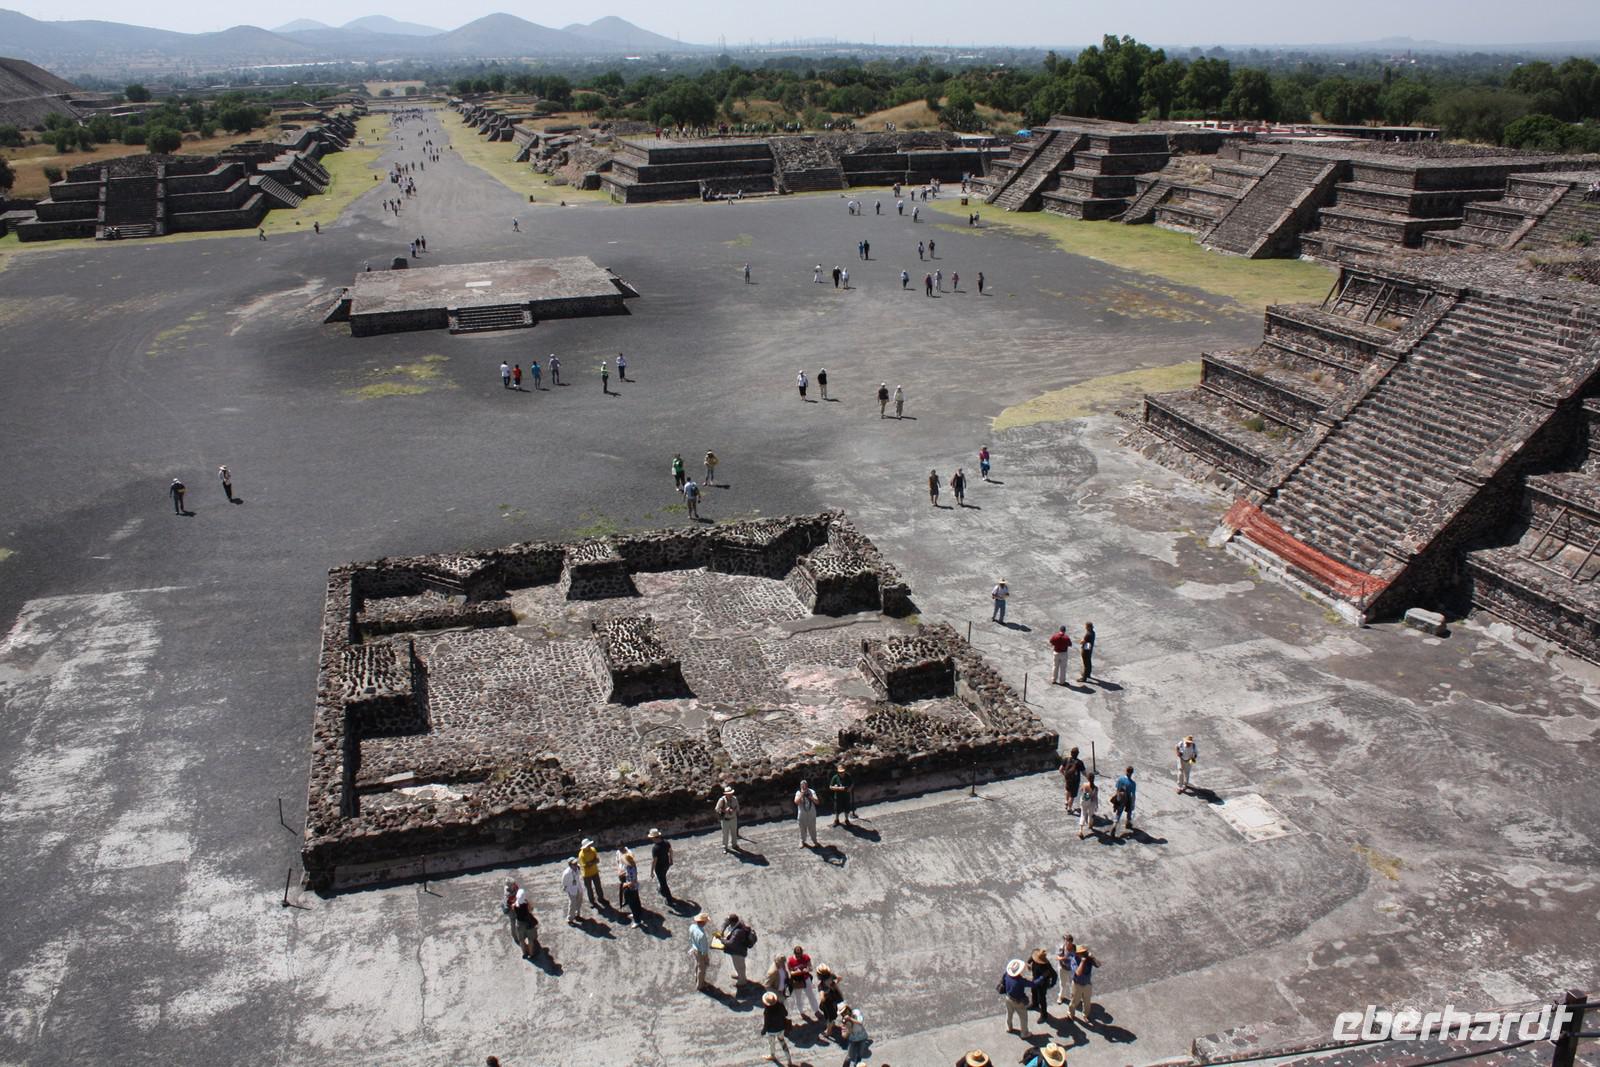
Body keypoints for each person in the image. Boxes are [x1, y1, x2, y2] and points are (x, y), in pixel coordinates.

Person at [999, 958, 1039, 1037]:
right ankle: (1024, 1033)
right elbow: (1033, 984)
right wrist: (1042, 978)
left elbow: (1003, 981)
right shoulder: (1020, 981)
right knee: (1023, 1017)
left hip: (1008, 998)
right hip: (1018, 1002)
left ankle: (1008, 1027)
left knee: (1009, 1013)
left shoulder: (1007, 974)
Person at [720, 913, 757, 986]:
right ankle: (739, 975)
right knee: (737, 965)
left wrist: (722, 940)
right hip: (736, 950)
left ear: (733, 922)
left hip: (739, 951)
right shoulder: (738, 923)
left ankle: (742, 981)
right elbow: (725, 923)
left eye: (729, 922)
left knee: (740, 966)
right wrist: (722, 931)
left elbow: (731, 943)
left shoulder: (738, 932)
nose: (728, 923)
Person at [787, 945, 820, 1020]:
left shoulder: (806, 957)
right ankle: (801, 1012)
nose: (799, 957)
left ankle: (816, 1010)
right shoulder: (791, 961)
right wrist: (796, 972)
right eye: (797, 955)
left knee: (811, 995)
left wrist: (807, 970)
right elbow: (791, 972)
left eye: (800, 955)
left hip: (806, 978)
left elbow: (810, 967)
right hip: (797, 981)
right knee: (798, 997)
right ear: (795, 954)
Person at [762, 991, 794, 1064]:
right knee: (783, 1043)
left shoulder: (767, 1012)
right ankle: (789, 1061)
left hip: (771, 1031)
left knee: (772, 1043)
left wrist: (763, 1031)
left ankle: (772, 1055)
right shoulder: (780, 1006)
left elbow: (766, 1024)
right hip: (781, 1028)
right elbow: (786, 1013)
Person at [510, 881, 539, 959]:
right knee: (530, 939)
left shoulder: (515, 905)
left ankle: (524, 953)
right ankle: (531, 953)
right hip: (528, 923)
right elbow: (531, 909)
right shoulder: (526, 904)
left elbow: (513, 907)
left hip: (519, 924)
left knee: (521, 940)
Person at [1067, 946, 1096, 1024]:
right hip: (1077, 985)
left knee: (1087, 1001)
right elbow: (1078, 973)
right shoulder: (1073, 960)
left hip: (1087, 984)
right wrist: (1082, 962)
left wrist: (1093, 957)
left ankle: (1085, 1015)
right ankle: (1070, 1013)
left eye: (1085, 952)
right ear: (1077, 954)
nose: (1084, 954)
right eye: (1082, 953)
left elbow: (1098, 965)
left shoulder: (1088, 959)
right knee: (1074, 1001)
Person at [578, 837, 608, 909]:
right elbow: (585, 866)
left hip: (595, 872)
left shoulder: (593, 850)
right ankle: (592, 901)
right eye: (587, 845)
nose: (589, 846)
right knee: (589, 889)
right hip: (586, 874)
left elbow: (597, 860)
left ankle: (601, 898)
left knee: (598, 886)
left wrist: (591, 863)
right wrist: (593, 862)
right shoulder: (581, 854)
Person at [618, 848, 644, 927]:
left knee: (633, 904)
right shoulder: (632, 866)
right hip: (635, 888)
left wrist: (625, 885)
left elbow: (632, 882)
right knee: (636, 901)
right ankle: (637, 914)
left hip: (631, 888)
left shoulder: (630, 869)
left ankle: (637, 921)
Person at [1029, 947, 1058, 1020]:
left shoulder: (1046, 966)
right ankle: (1034, 1004)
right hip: (1034, 980)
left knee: (1042, 999)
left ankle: (1044, 1015)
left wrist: (1052, 984)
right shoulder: (1034, 958)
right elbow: (1030, 959)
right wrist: (1028, 963)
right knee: (1033, 992)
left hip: (1042, 985)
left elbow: (1054, 975)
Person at [816, 964, 843, 1038]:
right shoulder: (832, 976)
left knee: (829, 1017)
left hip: (828, 1003)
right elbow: (839, 978)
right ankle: (832, 1023)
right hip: (835, 997)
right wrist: (834, 985)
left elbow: (822, 998)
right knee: (833, 1013)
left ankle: (828, 1031)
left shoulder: (821, 986)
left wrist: (824, 994)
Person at [689, 913, 714, 991]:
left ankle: (696, 976)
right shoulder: (702, 935)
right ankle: (700, 985)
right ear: (703, 922)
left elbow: (690, 937)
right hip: (700, 952)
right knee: (702, 969)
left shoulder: (692, 927)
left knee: (697, 963)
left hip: (694, 949)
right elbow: (704, 949)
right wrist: (706, 958)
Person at [794, 779, 821, 848]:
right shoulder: (798, 792)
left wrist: (811, 797)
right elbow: (796, 802)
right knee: (802, 829)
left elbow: (817, 802)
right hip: (802, 814)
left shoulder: (812, 791)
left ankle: (814, 840)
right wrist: (802, 794)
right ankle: (802, 841)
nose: (804, 787)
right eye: (802, 786)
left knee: (812, 828)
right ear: (800, 786)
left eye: (805, 786)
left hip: (811, 813)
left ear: (807, 785)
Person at [648, 828, 673, 900]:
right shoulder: (666, 842)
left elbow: (654, 861)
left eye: (651, 838)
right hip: (666, 864)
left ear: (654, 838)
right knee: (663, 878)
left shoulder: (655, 848)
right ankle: (662, 890)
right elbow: (671, 851)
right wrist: (671, 860)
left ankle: (669, 899)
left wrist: (651, 871)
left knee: (663, 883)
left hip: (659, 868)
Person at [1054, 934, 1079, 1006]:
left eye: (1069, 942)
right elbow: (1057, 957)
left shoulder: (1075, 948)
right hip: (1063, 968)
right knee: (1062, 983)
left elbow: (1079, 956)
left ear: (1071, 942)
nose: (1067, 944)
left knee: (1073, 984)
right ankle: (1061, 997)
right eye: (1066, 942)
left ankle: (1073, 997)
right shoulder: (1062, 947)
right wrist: (1063, 958)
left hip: (1072, 969)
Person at [1059, 747, 1085, 814]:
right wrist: (1089, 777)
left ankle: (1066, 802)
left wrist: (1065, 775)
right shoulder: (1079, 763)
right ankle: (1069, 809)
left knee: (1068, 790)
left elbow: (1060, 769)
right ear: (1077, 754)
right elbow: (1083, 772)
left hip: (1068, 779)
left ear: (1071, 753)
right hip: (1075, 781)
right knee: (1072, 796)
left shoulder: (1066, 760)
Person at [1112, 766, 1137, 836]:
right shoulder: (1133, 783)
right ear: (1132, 773)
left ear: (1126, 771)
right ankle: (1128, 822)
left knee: (1118, 812)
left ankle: (1114, 825)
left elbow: (1117, 789)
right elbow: (1133, 795)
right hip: (1128, 799)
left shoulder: (1120, 779)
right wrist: (1133, 803)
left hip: (1120, 797)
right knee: (1129, 810)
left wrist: (1117, 798)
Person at [716, 785, 740, 852]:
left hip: (733, 818)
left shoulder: (735, 799)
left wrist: (734, 811)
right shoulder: (721, 800)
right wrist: (724, 810)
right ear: (726, 794)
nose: (730, 795)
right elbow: (717, 809)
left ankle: (734, 845)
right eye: (728, 794)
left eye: (731, 793)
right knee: (725, 834)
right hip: (725, 820)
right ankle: (725, 847)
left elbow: (737, 808)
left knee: (734, 833)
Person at [560, 857, 584, 922]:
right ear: (570, 865)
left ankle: (577, 914)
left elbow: (580, 874)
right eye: (574, 864)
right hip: (571, 890)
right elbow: (564, 882)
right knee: (572, 904)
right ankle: (570, 918)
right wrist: (567, 889)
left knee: (579, 902)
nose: (576, 864)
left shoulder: (578, 868)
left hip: (578, 888)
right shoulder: (566, 873)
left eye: (576, 863)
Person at [1077, 775, 1099, 839]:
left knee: (1083, 814)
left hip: (1084, 801)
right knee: (1090, 814)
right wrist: (1097, 805)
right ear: (1093, 779)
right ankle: (1090, 825)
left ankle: (1081, 831)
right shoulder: (1096, 788)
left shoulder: (1085, 784)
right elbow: (1096, 797)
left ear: (1088, 778)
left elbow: (1081, 790)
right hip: (1092, 802)